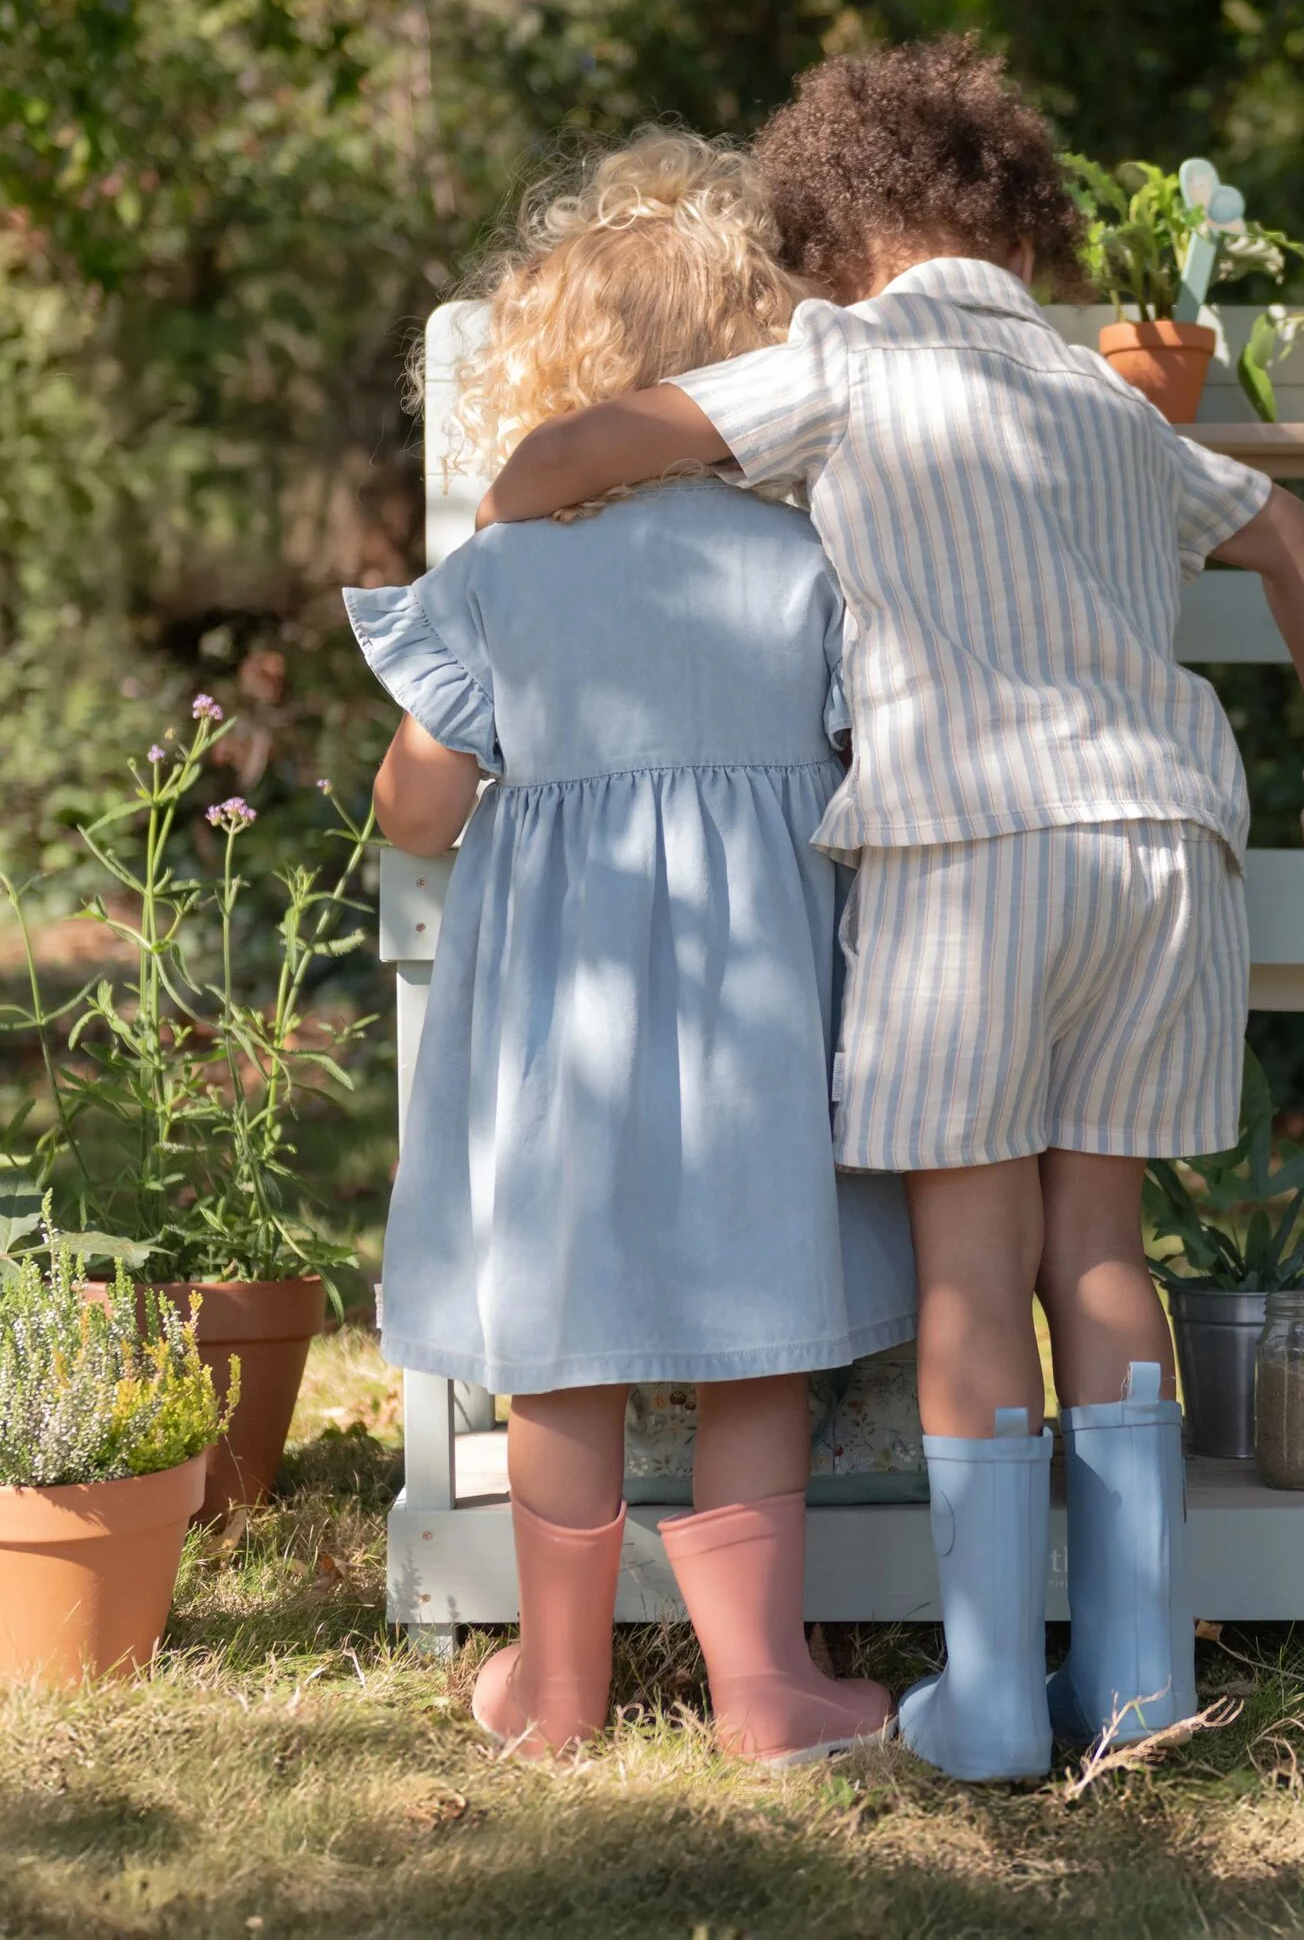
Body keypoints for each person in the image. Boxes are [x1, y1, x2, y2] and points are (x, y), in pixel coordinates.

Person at [476, 38, 1304, 1783]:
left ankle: (986, 1694)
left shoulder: (836, 358)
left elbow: (581, 450)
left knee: (977, 1263)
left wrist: (537, 494)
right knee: (1101, 1254)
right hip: (1162, 853)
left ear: (832, 241)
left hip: (970, 855)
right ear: (1027, 233)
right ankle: (1132, 1684)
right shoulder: (1118, 404)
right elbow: (1303, 549)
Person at [347, 129, 914, 1767]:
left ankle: (559, 1688)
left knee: (562, 1350)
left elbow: (418, 816)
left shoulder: (508, 575)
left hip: (558, 1035)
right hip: (756, 1022)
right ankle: (765, 1691)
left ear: (550, 373)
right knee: (762, 1337)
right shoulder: (805, 564)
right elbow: (877, 755)